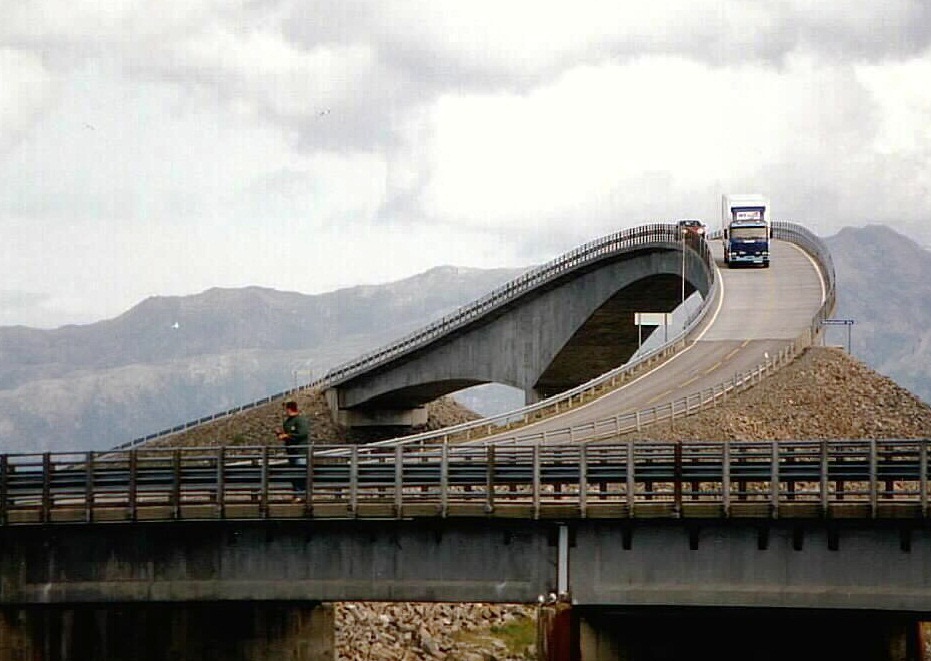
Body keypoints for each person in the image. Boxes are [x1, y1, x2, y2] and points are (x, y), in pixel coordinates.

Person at [276, 400, 310, 496]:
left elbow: (302, 433)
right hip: (291, 453)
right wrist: (280, 434)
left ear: (289, 409)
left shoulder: (300, 420)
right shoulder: (287, 422)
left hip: (300, 453)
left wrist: (287, 436)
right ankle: (297, 493)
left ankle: (301, 495)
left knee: (300, 474)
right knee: (294, 475)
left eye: (285, 409)